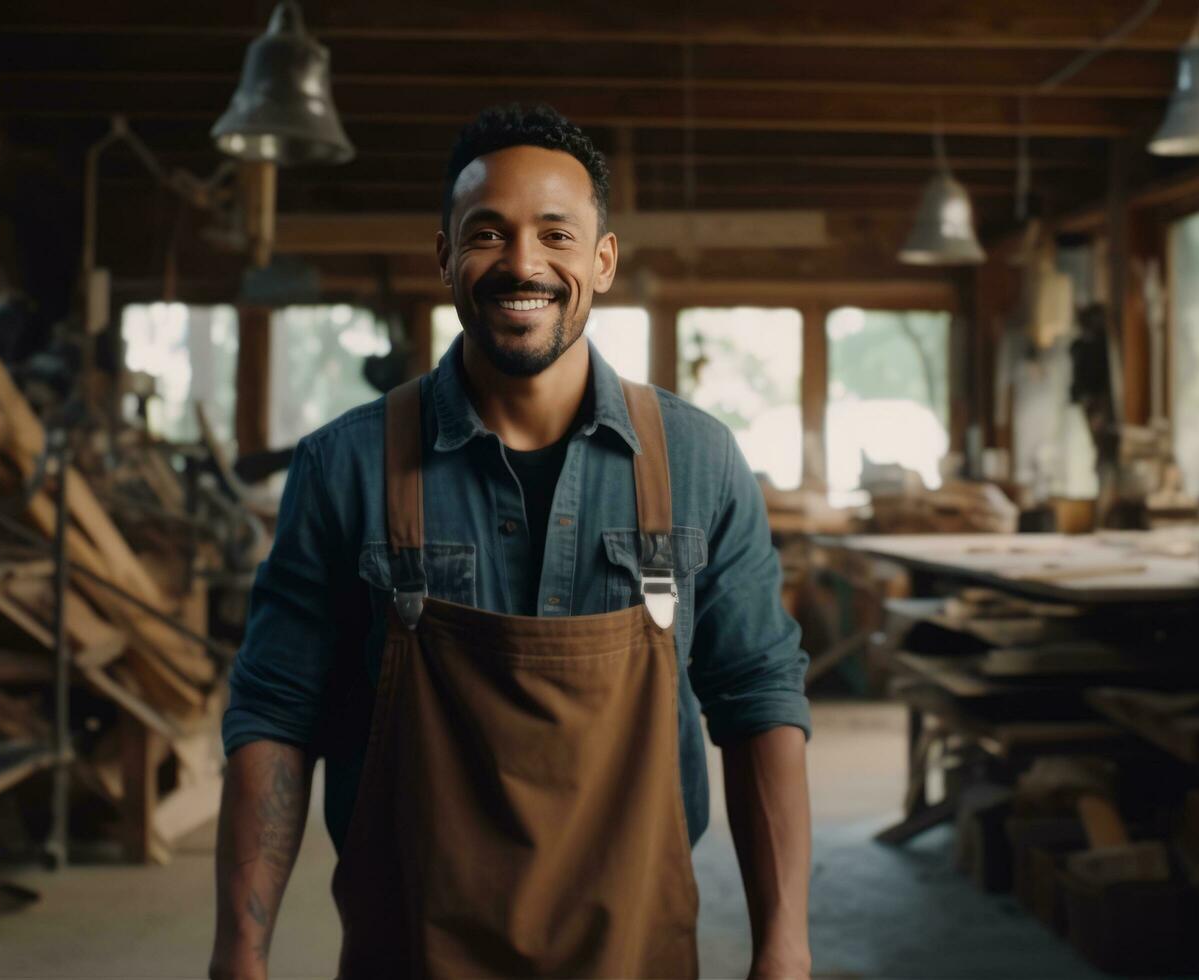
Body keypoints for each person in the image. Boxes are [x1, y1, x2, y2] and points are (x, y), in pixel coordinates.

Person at [209, 103, 812, 979]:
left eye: (555, 235)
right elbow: (275, 712)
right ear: (445, 257)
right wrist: (240, 952)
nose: (522, 262)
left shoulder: (697, 459)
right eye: (487, 233)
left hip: (638, 955)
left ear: (602, 262)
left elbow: (759, 700)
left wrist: (784, 950)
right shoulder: (344, 465)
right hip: (411, 953)